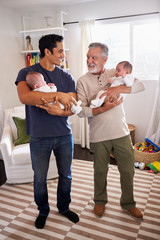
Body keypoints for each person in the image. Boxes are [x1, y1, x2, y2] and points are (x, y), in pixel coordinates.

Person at [15, 34, 79, 229]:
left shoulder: (66, 76)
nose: (63, 54)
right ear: (47, 52)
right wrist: (59, 95)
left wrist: (59, 110)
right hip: (39, 136)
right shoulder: (26, 72)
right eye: (59, 51)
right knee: (40, 178)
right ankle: (43, 210)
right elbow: (25, 97)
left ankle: (64, 207)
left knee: (65, 175)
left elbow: (72, 106)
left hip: (63, 134)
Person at [76, 42, 145, 220]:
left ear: (105, 59)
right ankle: (100, 201)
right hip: (98, 135)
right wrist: (103, 108)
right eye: (88, 57)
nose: (89, 61)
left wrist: (118, 88)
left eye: (94, 57)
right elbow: (82, 111)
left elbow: (140, 86)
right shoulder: (82, 81)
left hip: (121, 131)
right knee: (100, 170)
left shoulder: (115, 73)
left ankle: (128, 203)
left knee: (128, 169)